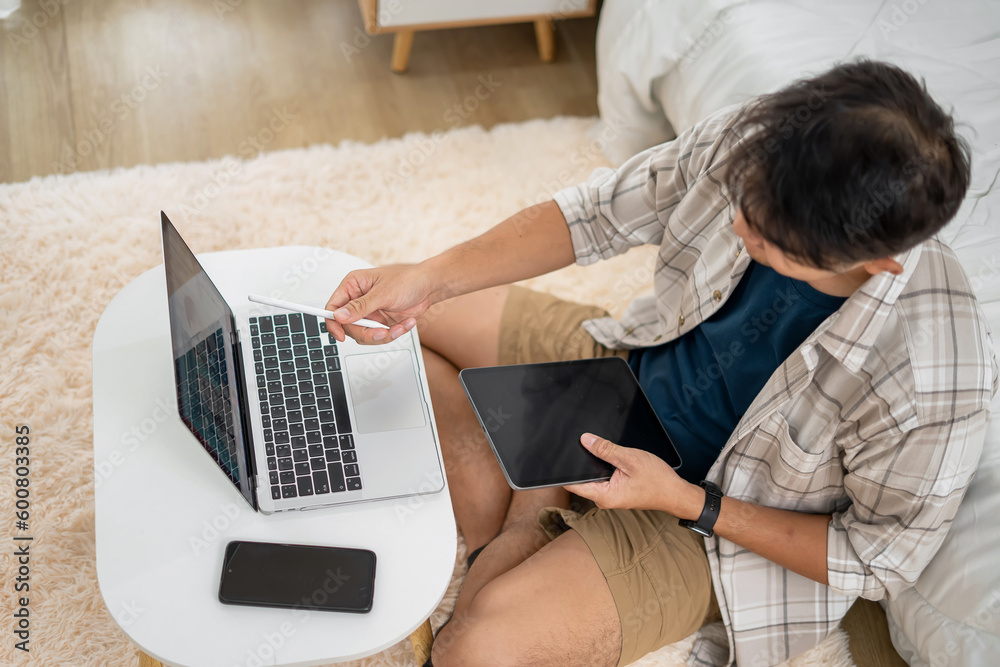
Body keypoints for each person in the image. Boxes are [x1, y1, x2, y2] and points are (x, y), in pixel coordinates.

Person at [323, 59, 995, 667]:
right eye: (744, 197)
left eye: (767, 237)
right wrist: (430, 277)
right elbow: (596, 216)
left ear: (874, 262)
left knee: (475, 647)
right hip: (622, 373)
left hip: (711, 514)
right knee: (402, 316)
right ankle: (528, 507)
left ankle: (526, 499)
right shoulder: (764, 140)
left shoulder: (934, 375)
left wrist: (686, 500)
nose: (738, 226)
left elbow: (874, 558)